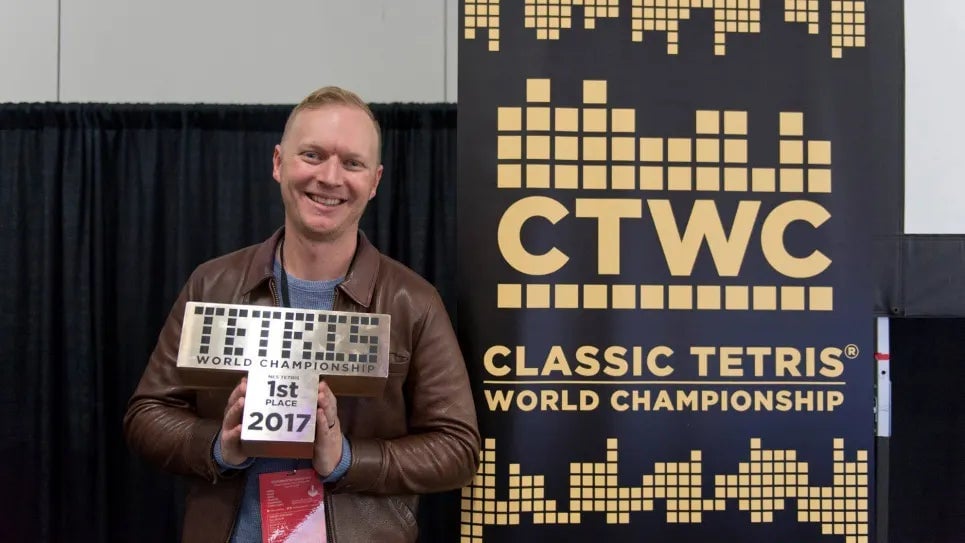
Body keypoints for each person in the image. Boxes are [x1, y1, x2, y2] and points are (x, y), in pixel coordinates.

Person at [123, 86, 481, 542]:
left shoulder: (413, 302)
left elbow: (457, 448)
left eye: (352, 163)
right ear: (278, 162)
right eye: (312, 155)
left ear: (375, 181)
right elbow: (147, 415)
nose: (330, 177)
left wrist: (346, 459)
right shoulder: (212, 284)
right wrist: (219, 446)